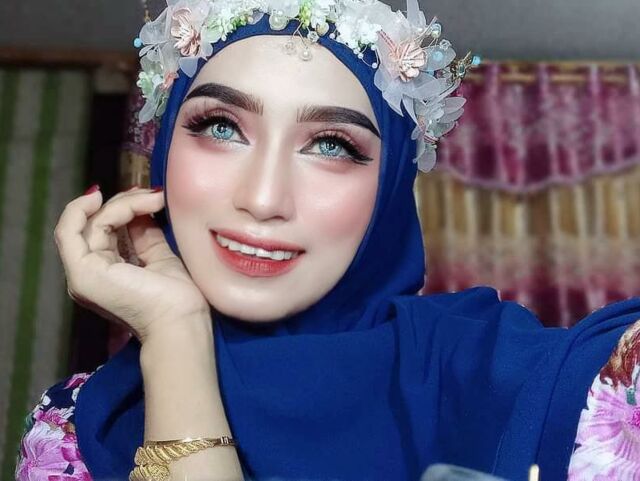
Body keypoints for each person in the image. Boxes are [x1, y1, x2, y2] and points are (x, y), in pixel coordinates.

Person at [13, 0, 640, 480]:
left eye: (332, 145)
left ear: (390, 186)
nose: (264, 199)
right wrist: (175, 335)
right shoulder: (79, 427)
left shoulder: (517, 378)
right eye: (221, 127)